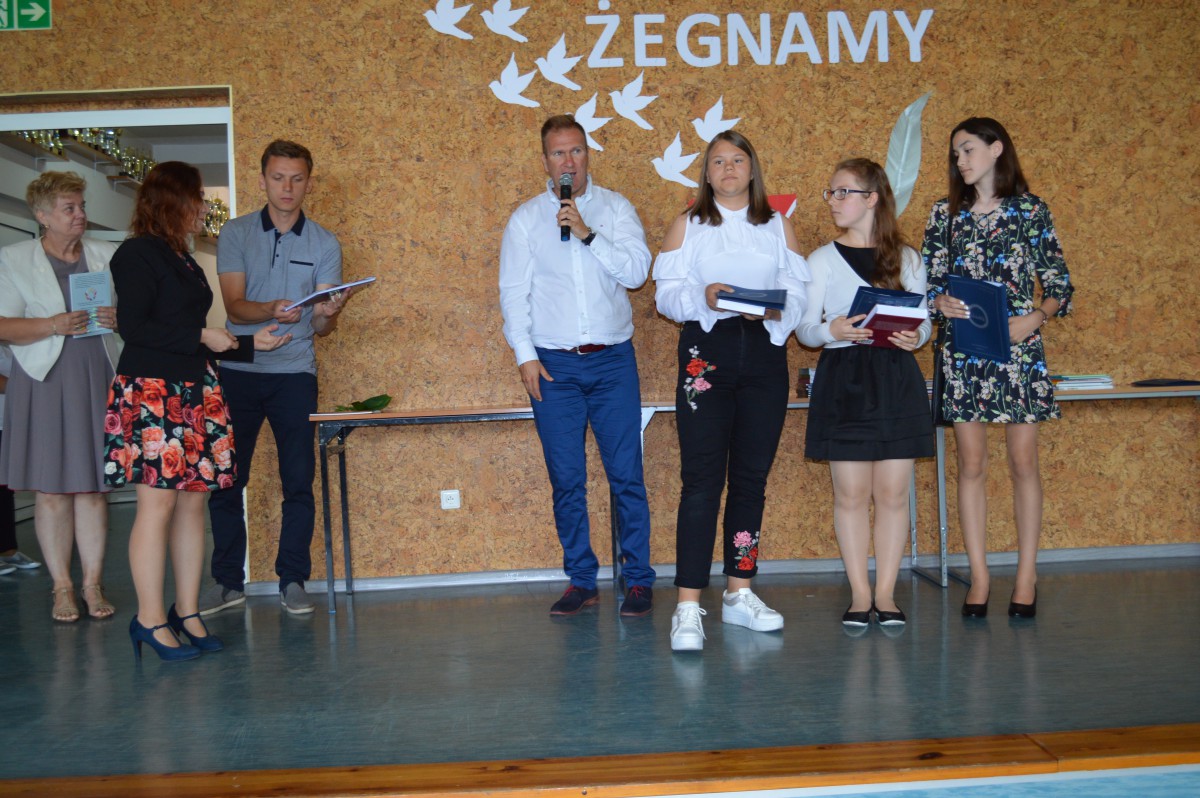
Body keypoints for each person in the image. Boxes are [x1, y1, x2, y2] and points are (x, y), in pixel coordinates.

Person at [104, 161, 291, 661]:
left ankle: (186, 612)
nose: (204, 207)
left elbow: (199, 338)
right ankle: (148, 620)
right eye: (198, 198)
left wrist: (251, 346)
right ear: (173, 201)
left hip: (193, 392)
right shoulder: (136, 253)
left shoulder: (181, 257)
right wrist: (202, 336)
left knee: (192, 504)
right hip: (152, 393)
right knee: (157, 507)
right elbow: (133, 328)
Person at [653, 131, 810, 651]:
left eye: (737, 160)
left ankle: (739, 592)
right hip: (707, 356)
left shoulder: (777, 225)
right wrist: (704, 296)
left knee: (751, 480)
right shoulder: (688, 224)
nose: (727, 169)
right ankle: (688, 604)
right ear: (707, 172)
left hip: (764, 358)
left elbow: (799, 292)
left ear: (752, 168)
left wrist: (775, 312)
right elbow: (665, 296)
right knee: (701, 481)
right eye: (717, 161)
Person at [499, 114, 656, 617]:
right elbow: (513, 295)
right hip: (553, 368)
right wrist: (525, 357)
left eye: (577, 151)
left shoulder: (616, 208)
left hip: (612, 362)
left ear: (588, 155)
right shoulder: (526, 220)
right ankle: (582, 580)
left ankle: (638, 580)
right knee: (567, 479)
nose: (569, 161)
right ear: (545, 161)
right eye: (558, 153)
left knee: (626, 475)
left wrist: (588, 234)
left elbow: (637, 273)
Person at [922, 117, 1073, 619]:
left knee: (1023, 462)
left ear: (996, 149)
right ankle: (980, 576)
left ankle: (1027, 576)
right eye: (955, 154)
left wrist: (1036, 318)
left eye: (967, 150)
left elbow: (1058, 283)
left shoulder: (1030, 210)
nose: (960, 161)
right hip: (963, 351)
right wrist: (938, 302)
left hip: (1018, 350)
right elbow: (927, 283)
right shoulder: (944, 213)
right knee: (971, 464)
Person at [200, 140, 347, 617]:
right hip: (238, 370)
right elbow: (234, 306)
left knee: (298, 481)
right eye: (278, 177)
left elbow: (321, 326)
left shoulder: (324, 243)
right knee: (227, 478)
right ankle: (228, 582)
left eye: (297, 178)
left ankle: (293, 580)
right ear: (262, 179)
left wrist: (327, 313)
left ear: (309, 182)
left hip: (295, 374)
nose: (287, 187)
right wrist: (271, 309)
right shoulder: (237, 232)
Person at [796, 158, 934, 628]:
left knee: (893, 493)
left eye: (843, 192)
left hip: (896, 378)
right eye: (830, 192)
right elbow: (805, 329)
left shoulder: (908, 258)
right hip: (844, 380)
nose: (833, 201)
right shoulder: (820, 260)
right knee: (851, 494)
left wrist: (917, 337)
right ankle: (860, 595)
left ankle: (887, 594)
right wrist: (831, 330)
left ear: (871, 198)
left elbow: (923, 322)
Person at [0, 171, 120, 622]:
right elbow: (3, 325)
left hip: (96, 374)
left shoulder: (106, 254)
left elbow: (133, 312)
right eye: (69, 208)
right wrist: (53, 325)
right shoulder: (14, 258)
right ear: (42, 215)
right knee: (52, 490)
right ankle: (62, 587)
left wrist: (119, 316)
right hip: (43, 379)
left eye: (81, 206)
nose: (80, 215)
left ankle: (92, 583)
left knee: (92, 488)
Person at [1, 345, 42, 574]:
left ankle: (8, 550)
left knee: (4, 488)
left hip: (6, 420)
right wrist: (28, 389)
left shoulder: (11, 344)